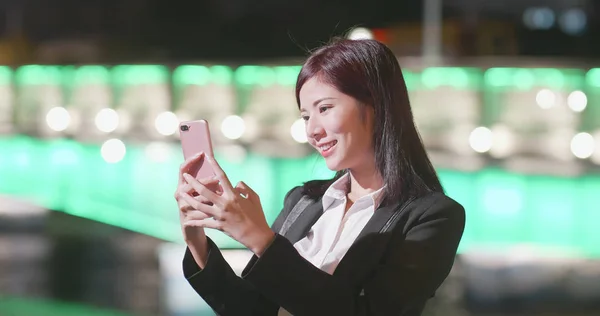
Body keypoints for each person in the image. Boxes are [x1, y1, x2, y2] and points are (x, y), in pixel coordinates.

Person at [174, 38, 466, 316]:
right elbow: (256, 309)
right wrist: (196, 240)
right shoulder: (303, 201)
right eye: (305, 116)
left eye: (324, 109)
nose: (312, 131)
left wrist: (259, 238)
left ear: (377, 105)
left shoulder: (433, 216)